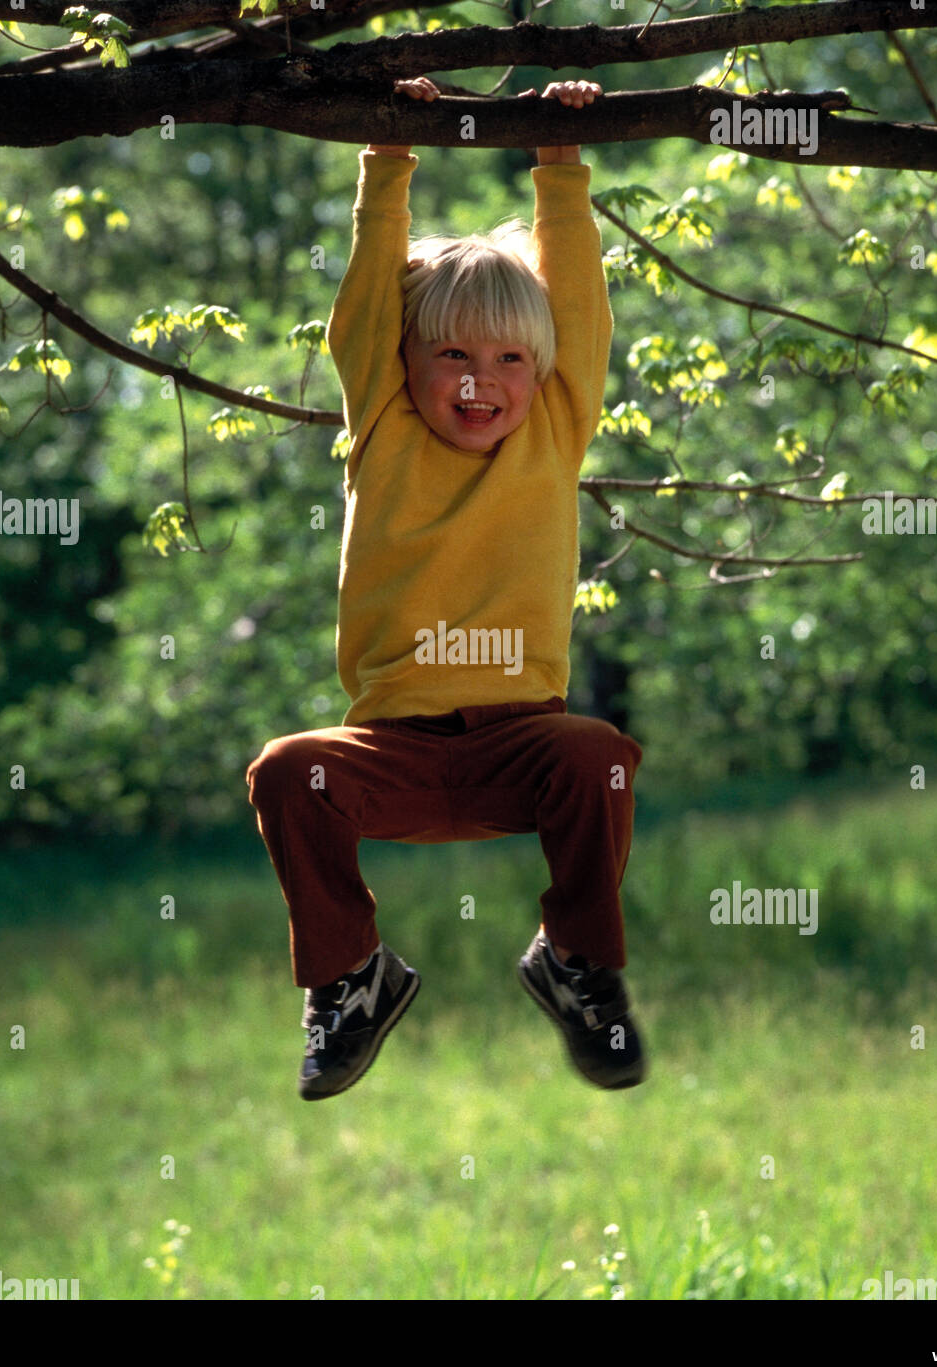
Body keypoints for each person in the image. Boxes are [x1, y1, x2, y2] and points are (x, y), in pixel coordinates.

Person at [247, 77, 647, 1100]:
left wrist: (560, 168)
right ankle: (350, 980)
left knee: (597, 756)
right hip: (395, 752)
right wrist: (387, 158)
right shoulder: (379, 423)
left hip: (523, 745)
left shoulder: (556, 426)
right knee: (289, 770)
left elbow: (581, 312)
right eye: (453, 357)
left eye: (510, 358)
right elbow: (368, 304)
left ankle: (573, 963)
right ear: (406, 363)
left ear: (542, 367)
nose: (481, 382)